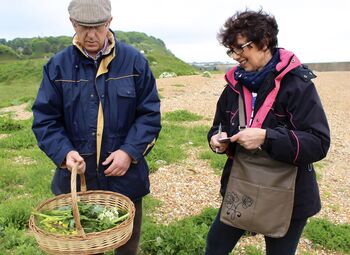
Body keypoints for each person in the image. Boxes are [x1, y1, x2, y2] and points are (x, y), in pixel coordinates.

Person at [32, 0, 161, 254]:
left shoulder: (134, 62)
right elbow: (45, 119)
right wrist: (64, 154)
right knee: (87, 248)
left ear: (110, 22)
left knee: (127, 246)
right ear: (72, 23)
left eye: (98, 27)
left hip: (125, 180)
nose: (91, 35)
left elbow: (149, 115)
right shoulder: (57, 66)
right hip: (80, 182)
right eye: (83, 27)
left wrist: (129, 152)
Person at [205, 9, 330, 255]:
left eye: (241, 48)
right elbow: (217, 126)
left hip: (290, 194)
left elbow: (319, 142)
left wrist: (266, 136)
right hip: (241, 186)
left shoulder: (297, 84)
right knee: (216, 245)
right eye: (232, 50)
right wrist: (215, 140)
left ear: (263, 42)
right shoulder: (233, 86)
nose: (236, 56)